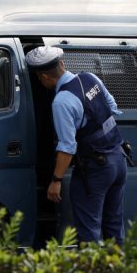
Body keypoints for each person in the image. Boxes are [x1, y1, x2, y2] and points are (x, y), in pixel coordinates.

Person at [25, 46, 127, 244]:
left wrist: (56, 180)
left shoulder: (62, 101)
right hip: (119, 159)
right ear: (62, 64)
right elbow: (113, 107)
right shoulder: (90, 78)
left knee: (89, 233)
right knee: (114, 227)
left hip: (95, 169)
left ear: (43, 78)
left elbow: (67, 147)